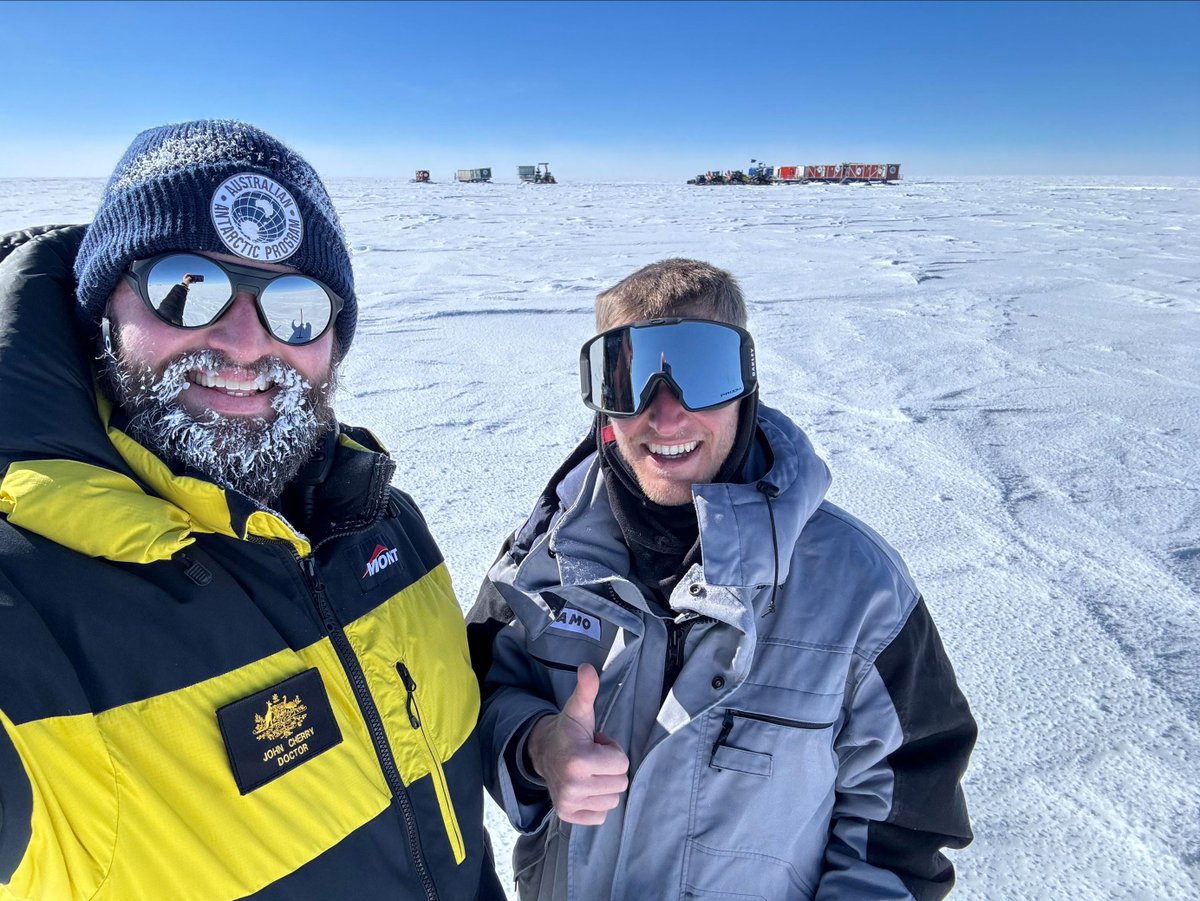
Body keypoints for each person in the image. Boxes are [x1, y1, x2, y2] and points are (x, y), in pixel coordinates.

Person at [0, 120, 502, 899]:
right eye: (185, 287)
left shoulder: (378, 519)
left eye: (295, 308)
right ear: (104, 309)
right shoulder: (28, 604)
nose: (243, 342)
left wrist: (535, 743)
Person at [468, 259, 977, 900]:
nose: (667, 414)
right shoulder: (539, 563)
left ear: (747, 384)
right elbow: (471, 699)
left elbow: (907, 815)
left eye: (701, 372)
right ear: (601, 405)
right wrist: (536, 746)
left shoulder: (860, 589)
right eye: (627, 378)